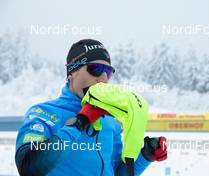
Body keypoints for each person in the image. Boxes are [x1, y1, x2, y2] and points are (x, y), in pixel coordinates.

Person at [15, 39, 167, 176]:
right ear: (71, 73)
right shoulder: (43, 113)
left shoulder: (110, 121)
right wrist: (79, 122)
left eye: (108, 72)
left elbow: (115, 172)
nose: (103, 78)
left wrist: (145, 156)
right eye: (96, 69)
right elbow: (28, 168)